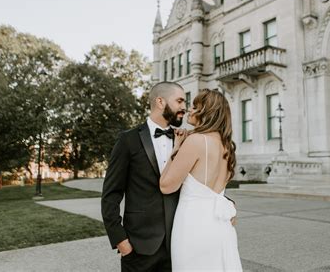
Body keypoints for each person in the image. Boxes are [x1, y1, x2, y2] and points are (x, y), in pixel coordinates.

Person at [101, 81, 186, 272]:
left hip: (178, 245)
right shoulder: (128, 140)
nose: (184, 108)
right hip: (138, 247)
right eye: (180, 101)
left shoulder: (185, 139)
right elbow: (111, 194)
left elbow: (199, 183)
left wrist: (226, 202)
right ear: (160, 102)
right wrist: (121, 242)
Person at [160, 89, 242, 271]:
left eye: (195, 106)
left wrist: (176, 148)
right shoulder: (227, 147)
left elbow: (166, 186)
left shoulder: (196, 141)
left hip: (193, 227)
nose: (189, 109)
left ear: (206, 111)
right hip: (220, 228)